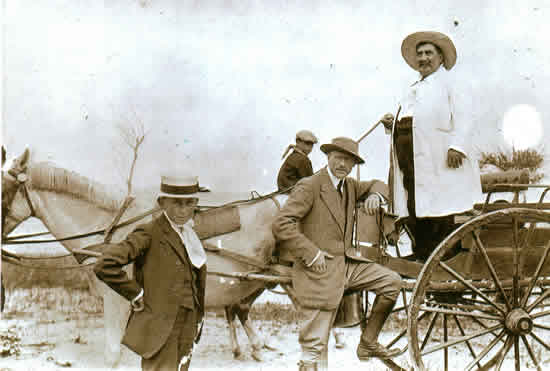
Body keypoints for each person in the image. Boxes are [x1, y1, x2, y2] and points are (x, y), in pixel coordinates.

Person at [272, 137, 402, 371]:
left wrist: (375, 196)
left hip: (346, 265)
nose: (342, 164)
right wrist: (311, 253)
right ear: (328, 157)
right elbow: (282, 224)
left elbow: (379, 184)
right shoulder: (310, 186)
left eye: (348, 161)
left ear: (353, 165)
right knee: (314, 348)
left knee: (392, 282)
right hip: (318, 269)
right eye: (338, 158)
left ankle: (368, 343)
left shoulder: (350, 185)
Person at [382, 31, 482, 261]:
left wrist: (457, 146)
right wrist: (393, 123)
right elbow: (411, 118)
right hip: (411, 156)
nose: (423, 58)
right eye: (420, 54)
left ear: (440, 57)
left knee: (440, 206)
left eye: (429, 53)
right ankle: (423, 253)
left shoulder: (450, 83)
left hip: (438, 156)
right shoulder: (412, 88)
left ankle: (442, 258)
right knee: (414, 204)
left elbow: (466, 116)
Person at [94, 175, 207, 371]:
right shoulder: (149, 232)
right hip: (160, 327)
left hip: (188, 321)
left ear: (196, 203)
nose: (183, 210)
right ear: (162, 203)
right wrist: (135, 293)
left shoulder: (189, 235)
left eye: (189, 203)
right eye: (177, 203)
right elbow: (105, 265)